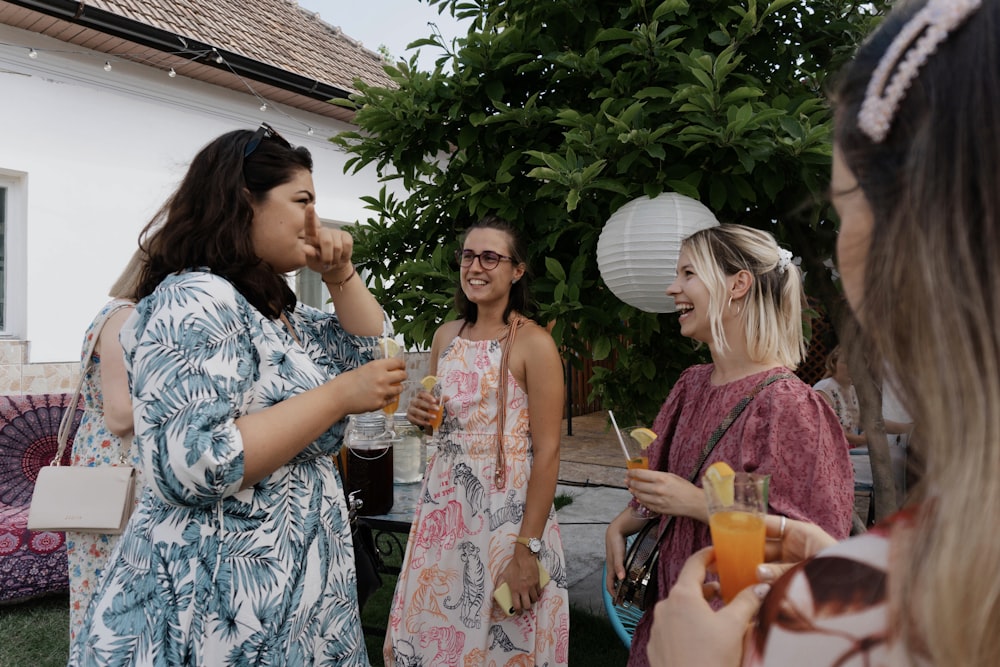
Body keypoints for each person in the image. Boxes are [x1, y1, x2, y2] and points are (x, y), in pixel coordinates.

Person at [649, 1, 999, 664]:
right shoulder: (691, 384)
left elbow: (816, 522)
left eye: (842, 210)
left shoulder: (838, 619)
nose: (672, 289)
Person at [68, 124, 406, 665]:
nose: (316, 220)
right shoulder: (194, 299)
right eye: (302, 200)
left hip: (289, 596)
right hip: (219, 601)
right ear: (244, 201)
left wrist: (342, 276)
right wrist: (338, 396)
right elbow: (193, 464)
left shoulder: (276, 311)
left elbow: (372, 355)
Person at [604, 224, 855, 667]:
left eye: (687, 274)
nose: (672, 288)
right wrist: (622, 523)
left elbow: (814, 548)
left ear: (737, 284)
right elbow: (664, 484)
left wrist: (701, 504)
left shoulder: (790, 406)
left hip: (739, 635)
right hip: (672, 620)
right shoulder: (691, 385)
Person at [384, 215, 569, 665]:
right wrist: (420, 415)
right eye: (468, 255)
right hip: (443, 514)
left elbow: (547, 452)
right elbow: (443, 423)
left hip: (507, 516)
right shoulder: (447, 335)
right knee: (432, 629)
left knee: (504, 640)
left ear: (517, 271)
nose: (476, 266)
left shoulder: (534, 344)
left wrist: (528, 551)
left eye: (491, 257)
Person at [66, 251, 147, 642]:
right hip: (116, 464)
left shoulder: (114, 312)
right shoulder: (126, 318)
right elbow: (119, 416)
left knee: (101, 579)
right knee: (111, 579)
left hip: (103, 458)